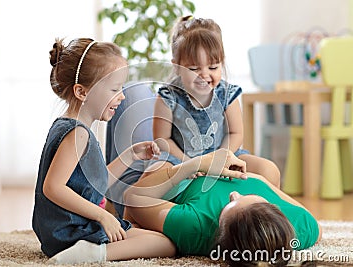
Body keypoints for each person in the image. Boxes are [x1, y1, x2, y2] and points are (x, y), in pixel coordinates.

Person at [31, 37, 177, 264]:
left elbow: (95, 183)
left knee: (153, 237)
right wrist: (103, 216)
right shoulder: (77, 133)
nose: (123, 96)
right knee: (164, 244)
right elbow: (52, 188)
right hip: (71, 232)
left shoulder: (71, 127)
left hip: (63, 231)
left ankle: (88, 250)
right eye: (115, 89)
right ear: (82, 92)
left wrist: (131, 155)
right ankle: (91, 255)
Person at [123, 148, 322, 266]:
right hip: (229, 163)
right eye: (253, 198)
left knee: (158, 167)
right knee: (269, 169)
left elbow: (132, 198)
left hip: (188, 178)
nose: (234, 193)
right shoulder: (300, 228)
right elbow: (317, 229)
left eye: (230, 204)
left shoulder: (196, 226)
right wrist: (257, 179)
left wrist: (196, 165)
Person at [151, 16, 281, 187]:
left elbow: (235, 133)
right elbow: (162, 139)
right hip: (181, 161)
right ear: (176, 66)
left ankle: (266, 212)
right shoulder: (168, 97)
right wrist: (190, 164)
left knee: (269, 170)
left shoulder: (227, 94)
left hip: (223, 156)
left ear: (222, 62)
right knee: (152, 176)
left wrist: (220, 159)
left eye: (213, 67)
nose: (204, 75)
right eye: (194, 68)